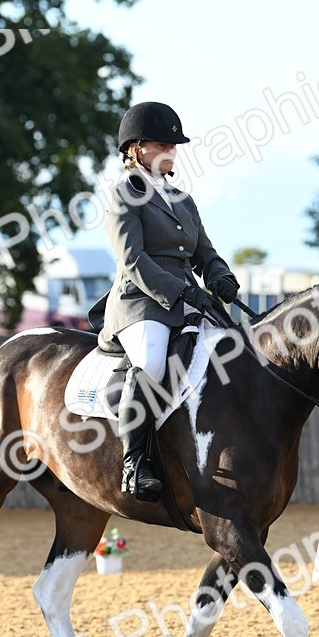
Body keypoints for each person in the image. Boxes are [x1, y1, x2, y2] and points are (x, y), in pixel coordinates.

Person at [88, 101, 240, 502]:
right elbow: (132, 259)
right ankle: (134, 463)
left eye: (174, 145)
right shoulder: (123, 195)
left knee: (236, 350)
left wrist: (220, 276)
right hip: (142, 302)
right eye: (161, 144)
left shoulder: (182, 199)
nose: (171, 151)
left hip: (189, 300)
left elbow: (204, 251)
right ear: (135, 149)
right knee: (152, 362)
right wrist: (180, 290)